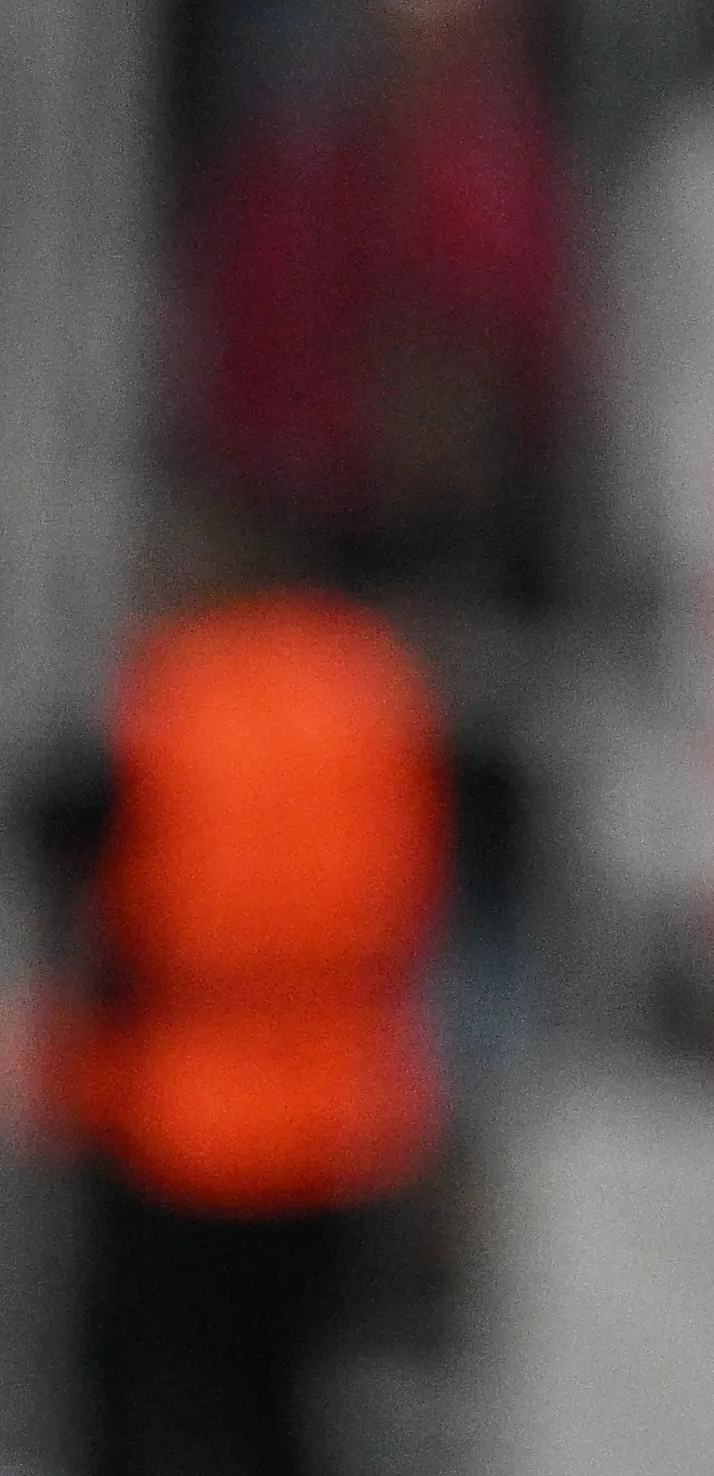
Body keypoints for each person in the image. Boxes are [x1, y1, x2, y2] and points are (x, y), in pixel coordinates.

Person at [23, 490, 454, 1476]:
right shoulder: (373, 687)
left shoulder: (170, 693)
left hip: (174, 1112)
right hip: (337, 1115)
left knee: (145, 1407)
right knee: (287, 1408)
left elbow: (81, 845)